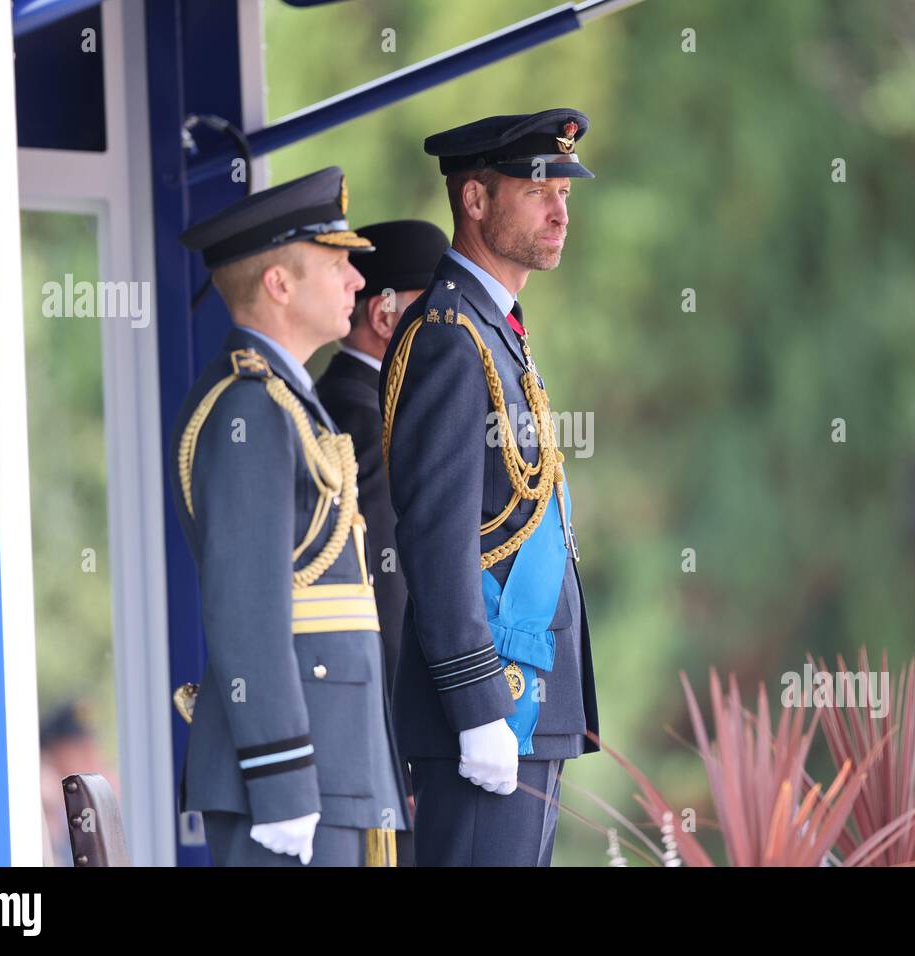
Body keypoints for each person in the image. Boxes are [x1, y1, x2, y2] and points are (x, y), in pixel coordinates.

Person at [378, 109, 601, 866]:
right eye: (539, 188)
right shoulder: (448, 333)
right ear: (474, 201)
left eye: (565, 192)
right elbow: (434, 536)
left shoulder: (493, 327)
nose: (560, 210)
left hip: (528, 696)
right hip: (491, 704)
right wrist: (478, 709)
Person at [169, 166, 410, 866]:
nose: (358, 283)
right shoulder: (250, 407)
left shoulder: (283, 402)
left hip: (333, 764)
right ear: (278, 284)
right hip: (292, 776)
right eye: (338, 264)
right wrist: (281, 777)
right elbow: (246, 606)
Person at [315, 219, 449, 867]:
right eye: (436, 317)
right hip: (382, 749)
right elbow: (384, 597)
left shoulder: (362, 405)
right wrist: (409, 752)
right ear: (384, 314)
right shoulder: (362, 416)